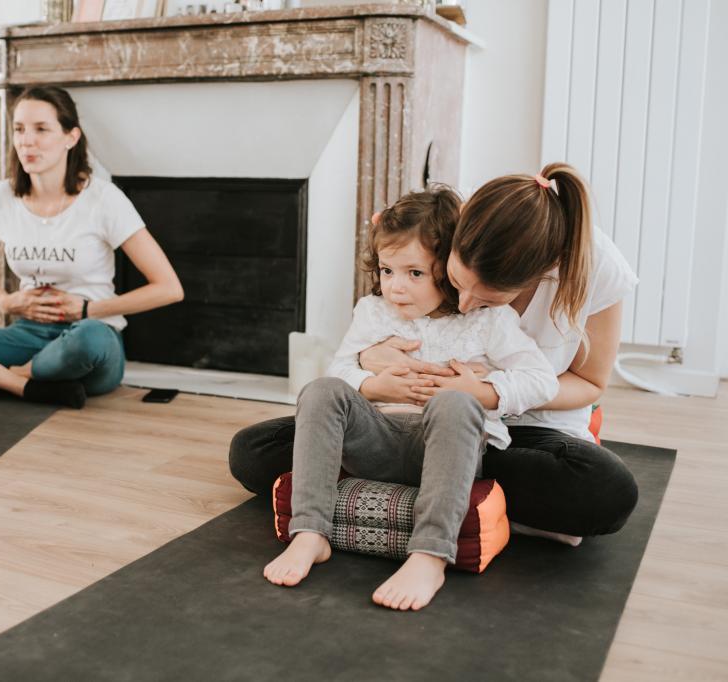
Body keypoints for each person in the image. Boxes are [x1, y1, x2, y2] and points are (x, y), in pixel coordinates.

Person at [233, 163, 639, 546]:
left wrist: (483, 393)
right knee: (253, 451)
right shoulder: (450, 234)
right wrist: (372, 363)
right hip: (397, 429)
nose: (463, 305)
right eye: (455, 281)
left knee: (605, 491)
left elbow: (583, 382)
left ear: (540, 274)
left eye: (487, 298)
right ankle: (458, 499)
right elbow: (348, 368)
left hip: (510, 434)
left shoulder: (590, 272)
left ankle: (404, 492)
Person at [262, 187, 558, 611]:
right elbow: (341, 370)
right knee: (320, 390)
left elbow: (541, 381)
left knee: (454, 405)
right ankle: (310, 533)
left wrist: (480, 389)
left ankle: (429, 555)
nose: (396, 288)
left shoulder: (487, 320)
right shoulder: (372, 310)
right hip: (378, 441)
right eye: (387, 271)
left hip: (444, 450)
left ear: (449, 267)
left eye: (414, 273)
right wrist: (373, 385)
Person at [0, 86, 183, 408]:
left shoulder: (103, 199)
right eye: (19, 129)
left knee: (87, 338)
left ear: (70, 137)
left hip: (91, 339)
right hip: (28, 334)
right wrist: (5, 300)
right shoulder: (2, 197)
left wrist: (88, 310)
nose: (26, 140)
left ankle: (15, 377)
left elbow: (169, 288)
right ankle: (34, 385)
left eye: (41, 129)